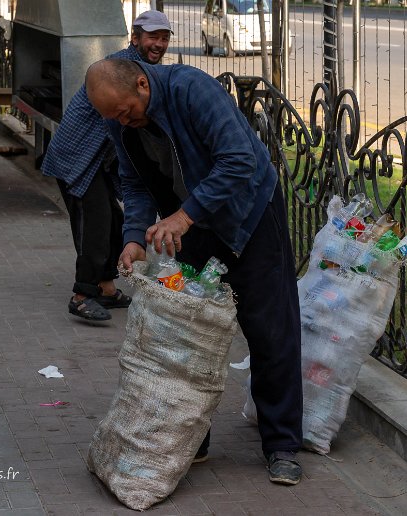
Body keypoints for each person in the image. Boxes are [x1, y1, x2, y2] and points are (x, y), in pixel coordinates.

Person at [85, 58, 304, 485]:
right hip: (188, 222)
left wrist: (184, 217)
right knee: (186, 332)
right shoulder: (118, 118)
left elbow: (239, 161)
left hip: (249, 216)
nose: (123, 123)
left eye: (126, 112)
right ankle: (191, 437)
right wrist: (133, 237)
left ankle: (282, 444)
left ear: (143, 85)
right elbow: (133, 181)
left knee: (268, 328)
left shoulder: (193, 90)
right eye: (114, 117)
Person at [41, 11, 173, 321]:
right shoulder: (121, 70)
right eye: (152, 37)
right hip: (76, 157)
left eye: (164, 38)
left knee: (114, 220)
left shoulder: (144, 70)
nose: (159, 44)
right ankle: (82, 294)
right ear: (135, 38)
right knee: (95, 223)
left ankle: (105, 287)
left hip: (98, 160)